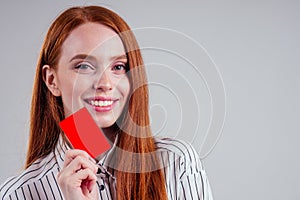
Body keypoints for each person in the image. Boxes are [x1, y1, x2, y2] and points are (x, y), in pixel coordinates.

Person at [0, 5, 213, 200]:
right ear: (52, 80)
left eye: (118, 67)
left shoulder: (175, 163)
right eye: (83, 66)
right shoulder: (18, 194)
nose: (105, 83)